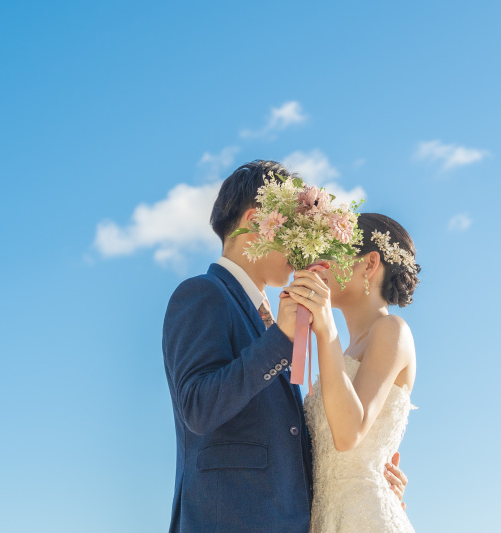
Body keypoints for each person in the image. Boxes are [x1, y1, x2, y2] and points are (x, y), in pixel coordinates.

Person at [162, 162, 408, 532]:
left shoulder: (274, 319)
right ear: (255, 221)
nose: (306, 246)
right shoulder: (203, 295)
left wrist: (369, 472)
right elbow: (198, 407)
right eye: (296, 227)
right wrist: (280, 338)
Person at [282, 213, 420, 532]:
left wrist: (324, 326)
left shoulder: (391, 330)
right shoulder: (341, 354)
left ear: (369, 264)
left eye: (330, 252)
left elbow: (348, 435)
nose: (319, 263)